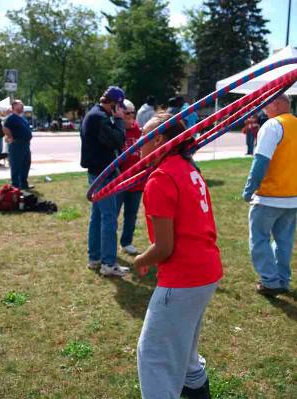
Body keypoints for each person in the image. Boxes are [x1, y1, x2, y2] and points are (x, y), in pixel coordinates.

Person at [135, 113, 223, 399]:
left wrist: (140, 261)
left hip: (183, 278)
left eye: (143, 138)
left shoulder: (160, 178)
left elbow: (164, 248)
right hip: (206, 271)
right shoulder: (188, 168)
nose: (137, 144)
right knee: (184, 351)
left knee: (154, 356)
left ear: (159, 139)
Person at [242, 94, 297, 297]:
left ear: (276, 103)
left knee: (259, 239)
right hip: (293, 197)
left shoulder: (272, 125)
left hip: (269, 195)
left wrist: (249, 190)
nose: (263, 108)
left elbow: (261, 161)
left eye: (266, 104)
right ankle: (282, 278)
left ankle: (270, 281)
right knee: (284, 240)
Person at [80, 85, 130, 277]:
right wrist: (118, 121)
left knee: (98, 217)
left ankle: (95, 258)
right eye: (119, 107)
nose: (121, 111)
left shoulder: (93, 114)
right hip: (103, 174)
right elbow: (117, 140)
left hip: (97, 172)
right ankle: (108, 263)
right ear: (114, 104)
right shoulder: (100, 118)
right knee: (109, 218)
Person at [117, 99, 143, 255]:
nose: (129, 117)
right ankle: (109, 243)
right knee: (113, 214)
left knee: (131, 213)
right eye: (126, 113)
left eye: (131, 113)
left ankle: (126, 242)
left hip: (136, 180)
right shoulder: (117, 131)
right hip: (119, 180)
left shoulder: (139, 131)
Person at [3, 100, 33, 189]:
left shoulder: (22, 118)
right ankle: (15, 186)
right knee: (16, 165)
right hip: (17, 144)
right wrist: (10, 137)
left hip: (25, 145)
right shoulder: (11, 118)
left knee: (26, 164)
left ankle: (24, 184)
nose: (22, 106)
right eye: (20, 104)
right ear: (14, 106)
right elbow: (5, 128)